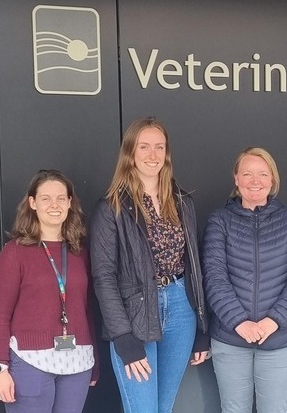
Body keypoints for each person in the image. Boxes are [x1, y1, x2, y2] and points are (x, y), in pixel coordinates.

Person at [89, 117, 209, 413]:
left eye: (159, 147)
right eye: (144, 147)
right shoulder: (111, 207)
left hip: (181, 308)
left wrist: (203, 328)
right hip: (135, 314)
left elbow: (194, 265)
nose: (153, 155)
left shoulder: (182, 202)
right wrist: (122, 336)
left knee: (163, 408)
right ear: (130, 152)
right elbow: (103, 277)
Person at [202, 147, 287, 413]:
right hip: (231, 339)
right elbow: (214, 275)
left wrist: (272, 321)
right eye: (248, 174)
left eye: (263, 174)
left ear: (272, 180)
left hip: (279, 340)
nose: (255, 181)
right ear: (236, 179)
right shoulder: (220, 221)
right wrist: (239, 322)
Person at [0, 169, 99, 413]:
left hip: (77, 362)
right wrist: (0, 367)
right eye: (46, 198)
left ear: (70, 203)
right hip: (30, 362)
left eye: (61, 198)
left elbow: (86, 309)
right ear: (32, 203)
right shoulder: (14, 252)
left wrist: (95, 361)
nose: (54, 204)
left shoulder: (79, 252)